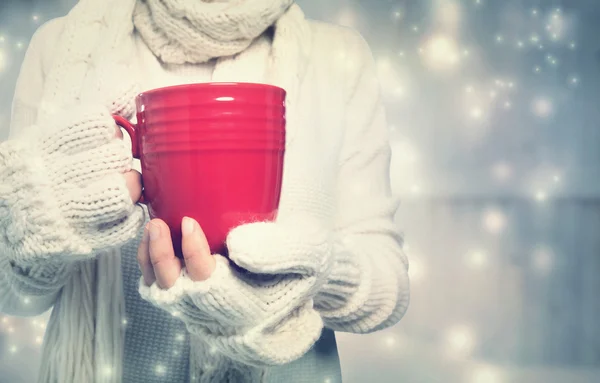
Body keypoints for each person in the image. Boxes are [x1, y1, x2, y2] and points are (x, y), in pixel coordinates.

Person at [0, 0, 410, 382]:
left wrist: (315, 272)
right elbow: (14, 298)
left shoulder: (338, 55)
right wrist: (30, 226)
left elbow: (388, 290)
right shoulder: (59, 48)